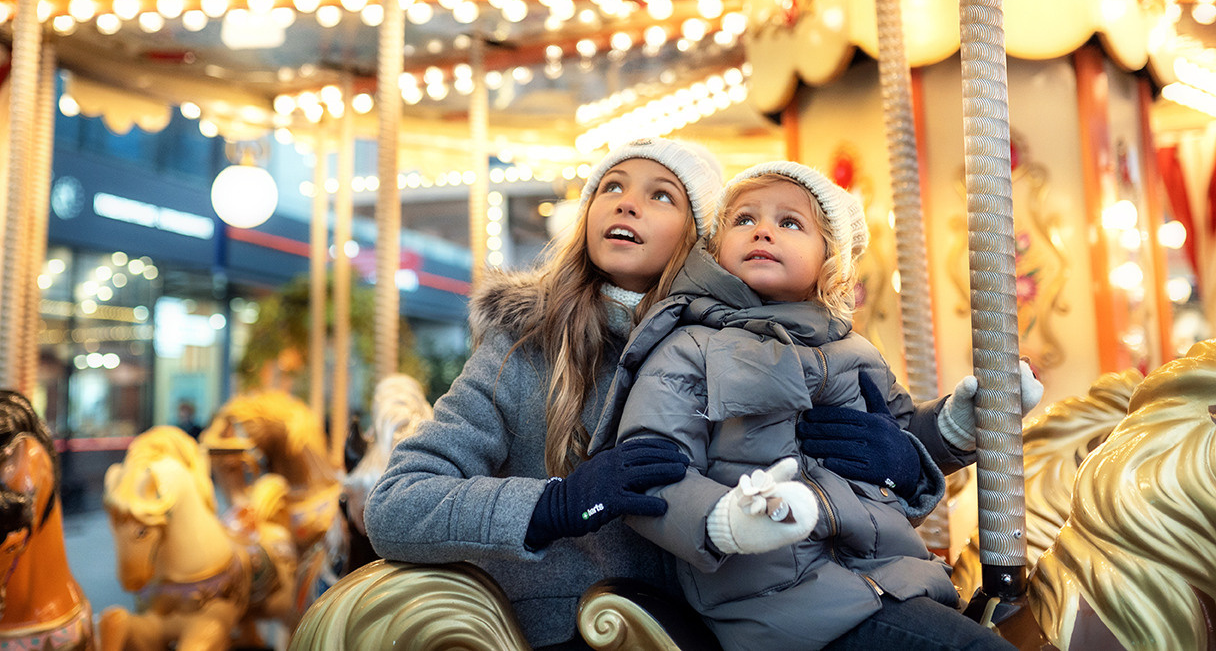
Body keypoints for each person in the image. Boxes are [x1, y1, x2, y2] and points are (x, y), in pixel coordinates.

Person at [590, 161, 1042, 651]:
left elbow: (900, 437)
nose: (762, 230)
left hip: (892, 580)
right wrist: (725, 519)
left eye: (790, 223)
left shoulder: (855, 352)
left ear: (830, 258)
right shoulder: (690, 346)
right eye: (744, 220)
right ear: (716, 250)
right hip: (779, 604)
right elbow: (648, 469)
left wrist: (957, 425)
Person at [366, 137, 725, 650]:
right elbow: (397, 504)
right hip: (558, 630)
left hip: (696, 626)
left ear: (698, 237)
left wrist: (878, 473)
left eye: (662, 195)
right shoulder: (523, 348)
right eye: (612, 187)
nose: (627, 202)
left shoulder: (732, 354)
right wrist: (554, 505)